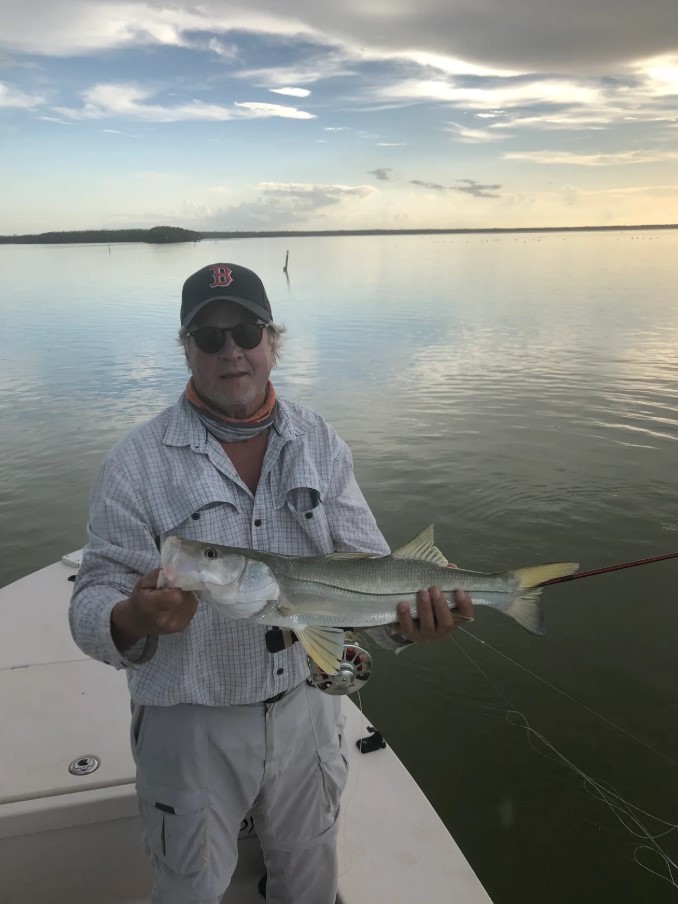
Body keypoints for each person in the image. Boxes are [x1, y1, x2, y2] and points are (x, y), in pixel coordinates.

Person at [69, 262, 473, 904]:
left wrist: (405, 623)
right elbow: (90, 599)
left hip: (306, 711)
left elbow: (368, 567)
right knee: (189, 890)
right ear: (187, 349)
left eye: (247, 331)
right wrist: (132, 618)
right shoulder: (135, 462)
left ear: (271, 342)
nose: (231, 350)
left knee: (310, 882)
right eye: (209, 337)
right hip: (189, 720)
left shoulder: (319, 440)